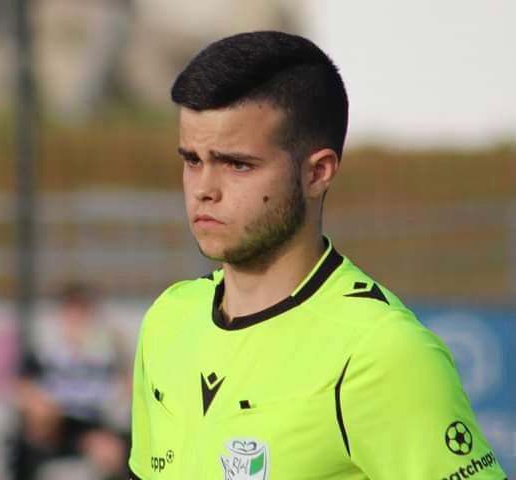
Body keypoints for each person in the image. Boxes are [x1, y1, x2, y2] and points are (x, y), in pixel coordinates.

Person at [128, 31, 506, 479]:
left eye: (237, 164)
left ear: (318, 172)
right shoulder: (168, 320)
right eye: (192, 160)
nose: (204, 189)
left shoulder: (381, 353)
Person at [9, 282, 131, 480]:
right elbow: (21, 386)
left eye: (82, 311)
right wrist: (41, 404)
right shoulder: (46, 347)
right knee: (37, 421)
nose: (77, 318)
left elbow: (128, 383)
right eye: (71, 311)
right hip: (56, 422)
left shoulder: (108, 347)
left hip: (93, 422)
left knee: (110, 451)